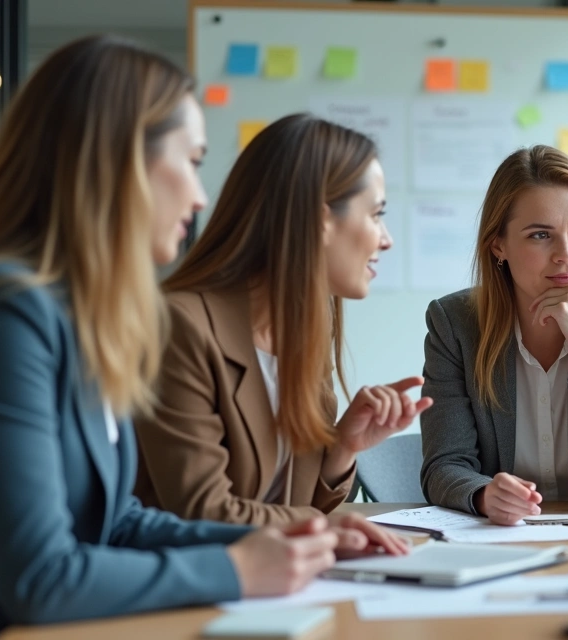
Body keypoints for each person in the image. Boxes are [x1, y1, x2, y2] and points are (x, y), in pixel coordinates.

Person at [0, 36, 404, 639]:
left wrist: (296, 537)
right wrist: (237, 567)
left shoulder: (81, 314)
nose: (201, 194)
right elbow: (40, 579)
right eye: (190, 161)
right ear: (122, 162)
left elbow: (120, 519)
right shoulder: (4, 310)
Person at [134, 114, 430, 525]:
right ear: (320, 219)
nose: (386, 238)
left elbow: (298, 502)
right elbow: (201, 511)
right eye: (376, 214)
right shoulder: (181, 327)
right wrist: (320, 525)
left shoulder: (303, 326)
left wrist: (343, 447)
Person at [420, 145, 568, 525]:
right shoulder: (454, 324)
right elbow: (443, 466)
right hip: (497, 539)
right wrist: (485, 495)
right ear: (498, 244)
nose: (566, 254)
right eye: (540, 235)